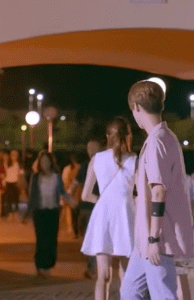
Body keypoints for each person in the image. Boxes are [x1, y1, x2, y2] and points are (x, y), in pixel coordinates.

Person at [121, 80, 194, 300]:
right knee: (129, 293)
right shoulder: (164, 138)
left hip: (157, 239)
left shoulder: (156, 142)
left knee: (163, 295)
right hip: (145, 239)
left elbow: (159, 192)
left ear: (136, 107)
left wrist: (154, 240)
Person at [81, 117, 137, 300]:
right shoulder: (135, 160)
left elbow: (85, 195)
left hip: (103, 216)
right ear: (128, 137)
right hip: (125, 215)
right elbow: (140, 192)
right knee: (126, 273)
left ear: (108, 136)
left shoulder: (97, 159)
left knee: (103, 275)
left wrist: (104, 200)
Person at [25, 150, 77, 277]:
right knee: (41, 239)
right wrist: (29, 213)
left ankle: (49, 265)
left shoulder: (56, 176)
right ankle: (40, 265)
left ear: (50, 162)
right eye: (42, 161)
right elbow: (32, 195)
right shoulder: (36, 177)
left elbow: (62, 191)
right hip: (40, 212)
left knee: (52, 240)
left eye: (47, 161)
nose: (44, 164)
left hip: (53, 211)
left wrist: (70, 199)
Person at [74, 138, 104, 279]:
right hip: (86, 208)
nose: (90, 150)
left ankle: (93, 268)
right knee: (88, 238)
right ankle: (93, 267)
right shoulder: (85, 166)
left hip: (97, 208)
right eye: (88, 148)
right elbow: (75, 184)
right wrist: (68, 197)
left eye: (92, 147)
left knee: (94, 238)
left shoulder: (105, 165)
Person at [61, 153, 81, 238]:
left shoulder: (71, 169)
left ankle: (74, 231)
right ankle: (76, 231)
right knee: (76, 214)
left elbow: (68, 182)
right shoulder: (80, 168)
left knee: (73, 214)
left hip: (74, 194)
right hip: (78, 194)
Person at [3, 150, 24, 222]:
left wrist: (20, 182)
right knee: (9, 199)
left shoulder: (19, 164)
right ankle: (10, 214)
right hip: (8, 182)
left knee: (16, 199)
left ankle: (15, 213)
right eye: (12, 155)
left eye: (15, 155)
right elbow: (5, 173)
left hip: (15, 183)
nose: (14, 156)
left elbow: (21, 174)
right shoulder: (7, 164)